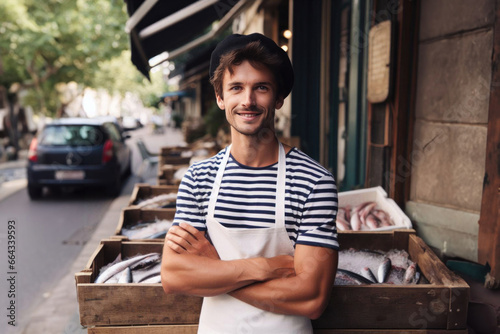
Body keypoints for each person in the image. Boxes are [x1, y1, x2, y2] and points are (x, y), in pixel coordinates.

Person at [161, 33, 339, 333]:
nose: (248, 100)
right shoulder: (198, 178)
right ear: (220, 98)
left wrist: (215, 270)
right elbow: (174, 277)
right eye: (236, 88)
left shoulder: (314, 181)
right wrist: (265, 267)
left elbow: (313, 298)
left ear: (279, 98)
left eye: (261, 87)